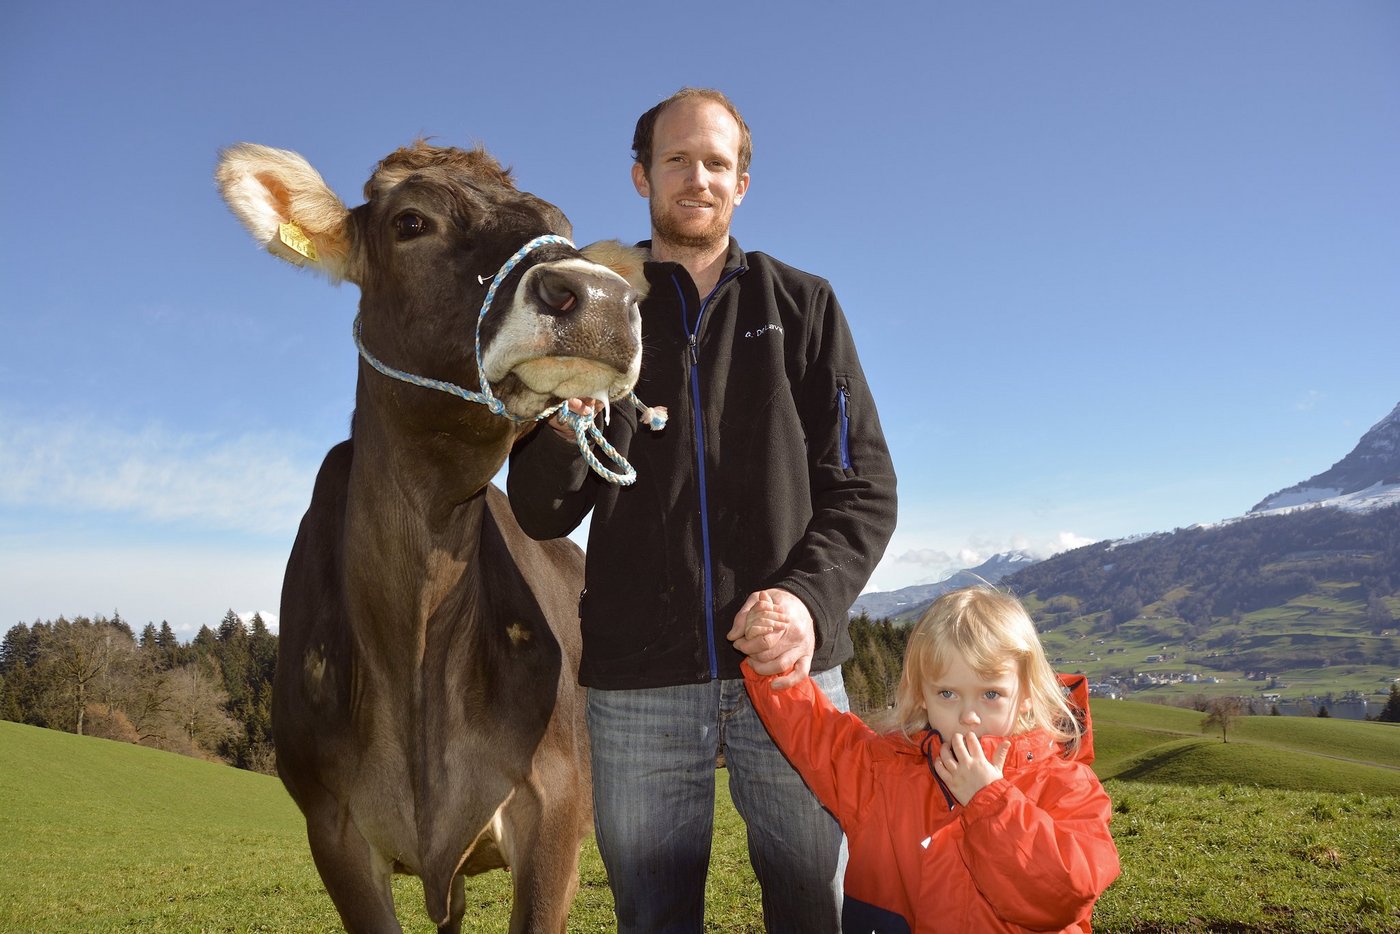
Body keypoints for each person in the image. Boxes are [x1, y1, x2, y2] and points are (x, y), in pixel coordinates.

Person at [507, 87, 897, 932]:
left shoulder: (802, 307)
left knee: (815, 909)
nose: (699, 177)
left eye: (717, 162)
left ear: (742, 185)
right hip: (638, 682)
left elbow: (864, 489)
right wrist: (569, 432)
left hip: (790, 673)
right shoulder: (590, 308)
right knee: (652, 918)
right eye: (678, 160)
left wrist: (804, 601)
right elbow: (540, 512)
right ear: (643, 177)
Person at [737, 586, 1121, 933]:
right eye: (948, 694)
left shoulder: (1066, 786)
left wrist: (992, 801)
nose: (969, 715)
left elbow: (1062, 895)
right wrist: (774, 659)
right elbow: (815, 732)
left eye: (990, 695)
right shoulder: (882, 773)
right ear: (921, 695)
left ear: (1026, 694)